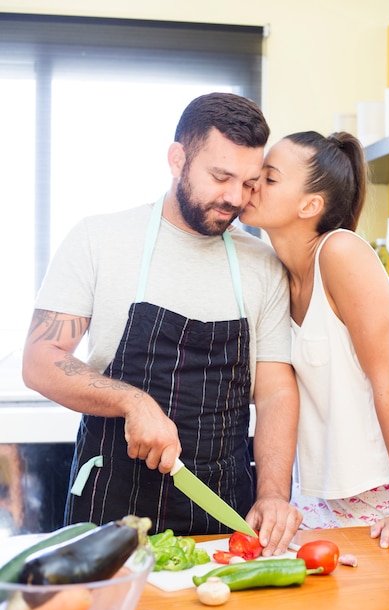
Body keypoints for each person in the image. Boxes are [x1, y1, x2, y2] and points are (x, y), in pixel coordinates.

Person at [22, 92, 302, 555]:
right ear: (177, 159)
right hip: (111, 508)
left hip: (224, 510)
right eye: (220, 176)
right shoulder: (100, 239)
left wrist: (273, 493)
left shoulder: (262, 264)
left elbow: (275, 391)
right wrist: (132, 401)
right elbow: (40, 361)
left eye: (249, 182)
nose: (234, 196)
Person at [240, 129, 389, 549]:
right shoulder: (276, 272)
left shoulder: (340, 253)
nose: (253, 185)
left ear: (310, 205)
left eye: (270, 177)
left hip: (384, 494)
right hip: (318, 497)